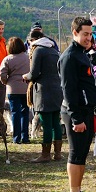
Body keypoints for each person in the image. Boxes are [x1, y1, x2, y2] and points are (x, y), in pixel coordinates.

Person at [59, 16, 96, 192]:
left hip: (86, 110)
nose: (88, 38)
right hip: (75, 112)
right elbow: (68, 89)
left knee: (82, 153)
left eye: (90, 34)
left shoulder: (82, 53)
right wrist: (76, 118)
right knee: (76, 153)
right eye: (85, 34)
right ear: (75, 32)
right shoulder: (69, 57)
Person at [24, 30, 64, 162]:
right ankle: (57, 154)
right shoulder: (54, 50)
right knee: (55, 123)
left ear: (33, 40)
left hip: (43, 91)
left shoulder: (38, 50)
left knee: (46, 123)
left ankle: (45, 155)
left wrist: (26, 76)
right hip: (57, 89)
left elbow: (34, 73)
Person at [0, 37, 31, 143]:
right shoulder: (28, 58)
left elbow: (2, 74)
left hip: (12, 89)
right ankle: (25, 137)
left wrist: (7, 82)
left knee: (15, 113)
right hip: (26, 88)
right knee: (25, 113)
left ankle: (16, 137)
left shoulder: (7, 59)